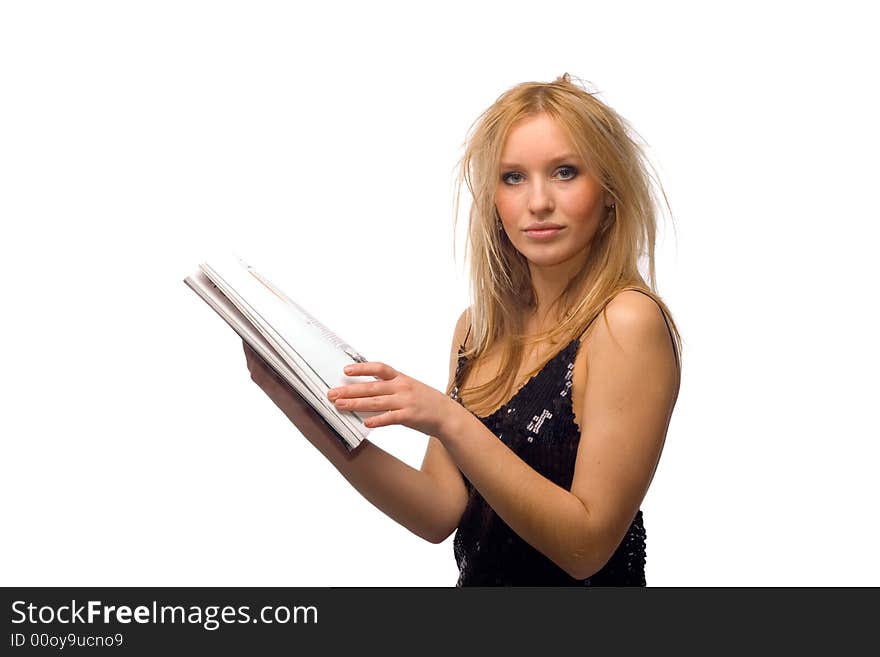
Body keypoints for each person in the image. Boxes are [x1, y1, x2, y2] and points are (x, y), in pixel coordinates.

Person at [243, 73, 681, 586]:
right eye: (513, 177)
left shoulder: (626, 323)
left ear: (609, 191)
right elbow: (437, 511)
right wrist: (299, 401)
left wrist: (448, 419)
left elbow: (585, 548)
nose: (538, 201)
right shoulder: (479, 329)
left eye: (565, 172)